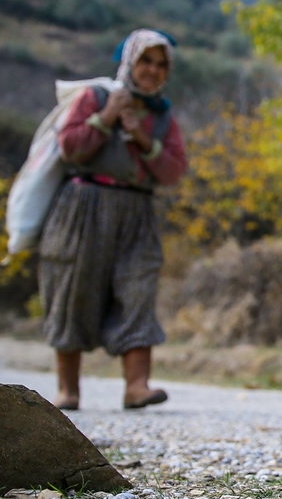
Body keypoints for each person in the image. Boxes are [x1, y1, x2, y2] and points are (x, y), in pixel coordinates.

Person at [39, 28, 188, 410]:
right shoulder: (95, 97)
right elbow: (69, 145)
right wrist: (106, 118)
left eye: (160, 64)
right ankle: (68, 390)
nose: (152, 71)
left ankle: (137, 386)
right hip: (84, 205)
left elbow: (173, 170)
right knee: (74, 287)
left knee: (138, 286)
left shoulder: (161, 116)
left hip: (136, 210)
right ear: (129, 63)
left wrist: (141, 138)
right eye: (145, 61)